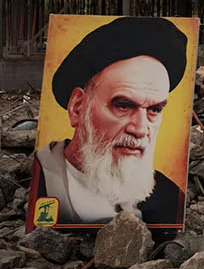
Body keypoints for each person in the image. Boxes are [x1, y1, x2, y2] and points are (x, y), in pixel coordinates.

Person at [32, 16, 189, 225]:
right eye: (123, 106)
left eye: (154, 110)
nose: (140, 129)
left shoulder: (169, 197)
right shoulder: (41, 181)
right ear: (78, 107)